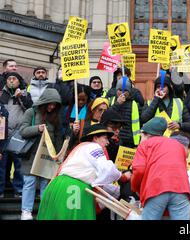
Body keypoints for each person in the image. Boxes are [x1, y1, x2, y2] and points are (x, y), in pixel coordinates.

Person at [37, 124, 123, 220]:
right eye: (105, 138)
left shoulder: (80, 148)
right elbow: (107, 169)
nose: (107, 142)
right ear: (95, 138)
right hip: (73, 189)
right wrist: (122, 176)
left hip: (56, 186)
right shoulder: (94, 147)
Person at [18, 88, 66, 220]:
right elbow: (22, 131)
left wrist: (58, 156)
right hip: (31, 156)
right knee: (29, 183)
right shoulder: (31, 112)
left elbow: (57, 138)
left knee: (46, 184)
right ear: (44, 102)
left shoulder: (56, 117)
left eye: (54, 105)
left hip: (48, 157)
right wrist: (37, 129)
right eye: (49, 104)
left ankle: (45, 211)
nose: (52, 107)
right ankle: (26, 211)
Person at [131, 117, 190, 220]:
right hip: (181, 189)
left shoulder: (144, 145)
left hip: (156, 188)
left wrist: (135, 187)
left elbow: (139, 170)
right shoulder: (178, 145)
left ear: (146, 134)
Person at [0, 72, 33, 198]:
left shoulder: (26, 94)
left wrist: (21, 97)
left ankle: (19, 190)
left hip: (19, 135)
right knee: (1, 166)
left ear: (19, 81)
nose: (12, 81)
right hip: (3, 135)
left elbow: (31, 109)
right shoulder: (1, 94)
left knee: (19, 166)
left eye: (14, 79)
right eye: (9, 79)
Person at [110, 77, 144, 148]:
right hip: (113, 139)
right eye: (119, 90)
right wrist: (117, 103)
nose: (122, 93)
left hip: (129, 141)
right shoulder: (111, 101)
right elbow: (108, 115)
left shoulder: (134, 104)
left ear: (129, 92)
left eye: (125, 90)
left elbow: (140, 122)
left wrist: (136, 142)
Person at [63, 84, 92, 152]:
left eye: (83, 99)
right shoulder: (68, 109)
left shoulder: (90, 109)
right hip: (70, 144)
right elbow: (63, 127)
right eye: (78, 99)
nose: (80, 102)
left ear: (87, 98)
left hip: (85, 144)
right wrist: (71, 129)